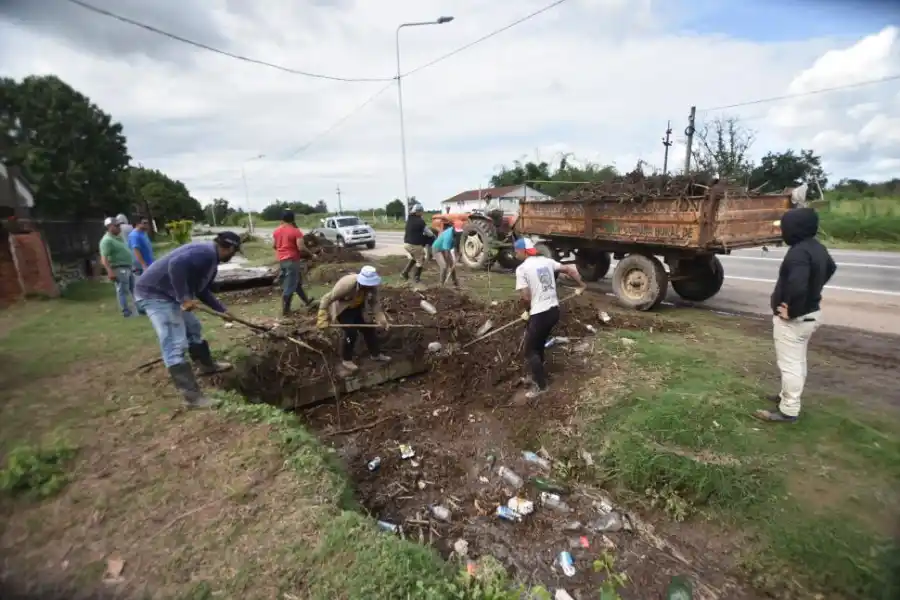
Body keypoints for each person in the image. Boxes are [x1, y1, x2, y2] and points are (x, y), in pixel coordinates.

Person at [134, 232, 241, 409]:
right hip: (154, 294)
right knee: (174, 343)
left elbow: (202, 290)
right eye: (235, 252)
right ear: (229, 248)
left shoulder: (211, 260)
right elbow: (175, 265)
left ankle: (206, 365)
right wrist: (184, 298)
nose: (233, 255)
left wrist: (222, 311)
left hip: (168, 295)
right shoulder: (205, 253)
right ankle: (193, 398)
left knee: (193, 327)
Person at [755, 207, 836, 423]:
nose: (783, 231)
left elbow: (797, 286)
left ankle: (789, 410)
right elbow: (831, 268)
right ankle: (786, 397)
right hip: (811, 315)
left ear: (795, 228)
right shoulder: (817, 248)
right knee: (797, 361)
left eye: (785, 227)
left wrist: (792, 310)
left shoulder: (798, 252)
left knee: (790, 364)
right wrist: (813, 291)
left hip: (796, 320)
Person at [513, 238, 585, 399]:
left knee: (530, 351)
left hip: (540, 313)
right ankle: (538, 376)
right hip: (554, 311)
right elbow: (569, 270)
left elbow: (525, 296)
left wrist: (527, 310)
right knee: (538, 346)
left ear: (524, 251)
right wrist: (582, 284)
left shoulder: (522, 269)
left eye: (516, 250)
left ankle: (541, 386)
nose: (515, 253)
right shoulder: (546, 261)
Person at [316, 265, 392, 373]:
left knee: (369, 329)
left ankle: (375, 354)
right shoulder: (347, 284)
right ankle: (346, 359)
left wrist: (382, 320)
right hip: (343, 310)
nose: (369, 286)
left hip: (357, 307)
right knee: (351, 333)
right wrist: (322, 316)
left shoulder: (372, 288)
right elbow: (327, 298)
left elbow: (375, 305)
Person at [272, 210, 315, 316]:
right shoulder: (296, 231)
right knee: (290, 286)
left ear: (282, 219)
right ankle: (286, 311)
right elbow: (301, 247)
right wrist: (311, 254)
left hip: (282, 260)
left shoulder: (276, 231)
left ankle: (306, 301)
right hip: (292, 260)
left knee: (296, 283)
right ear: (293, 219)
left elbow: (274, 246)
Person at [99, 216, 141, 317]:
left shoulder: (118, 238)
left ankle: (139, 309)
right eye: (116, 226)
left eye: (119, 225)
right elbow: (104, 258)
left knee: (133, 289)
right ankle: (126, 311)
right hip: (118, 268)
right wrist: (109, 271)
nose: (119, 228)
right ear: (109, 227)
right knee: (122, 290)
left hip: (127, 266)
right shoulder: (107, 240)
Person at [401, 203, 434, 283]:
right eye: (421, 211)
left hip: (406, 244)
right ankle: (416, 278)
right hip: (414, 244)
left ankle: (405, 273)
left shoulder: (409, 219)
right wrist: (433, 235)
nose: (422, 213)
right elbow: (429, 233)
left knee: (414, 258)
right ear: (418, 212)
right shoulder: (420, 221)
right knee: (420, 260)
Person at [432, 220, 459, 288]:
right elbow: (446, 253)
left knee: (452, 265)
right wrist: (448, 262)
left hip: (445, 249)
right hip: (437, 249)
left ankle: (455, 282)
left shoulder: (458, 233)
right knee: (444, 266)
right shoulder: (448, 236)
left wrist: (458, 254)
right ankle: (441, 285)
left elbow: (457, 246)